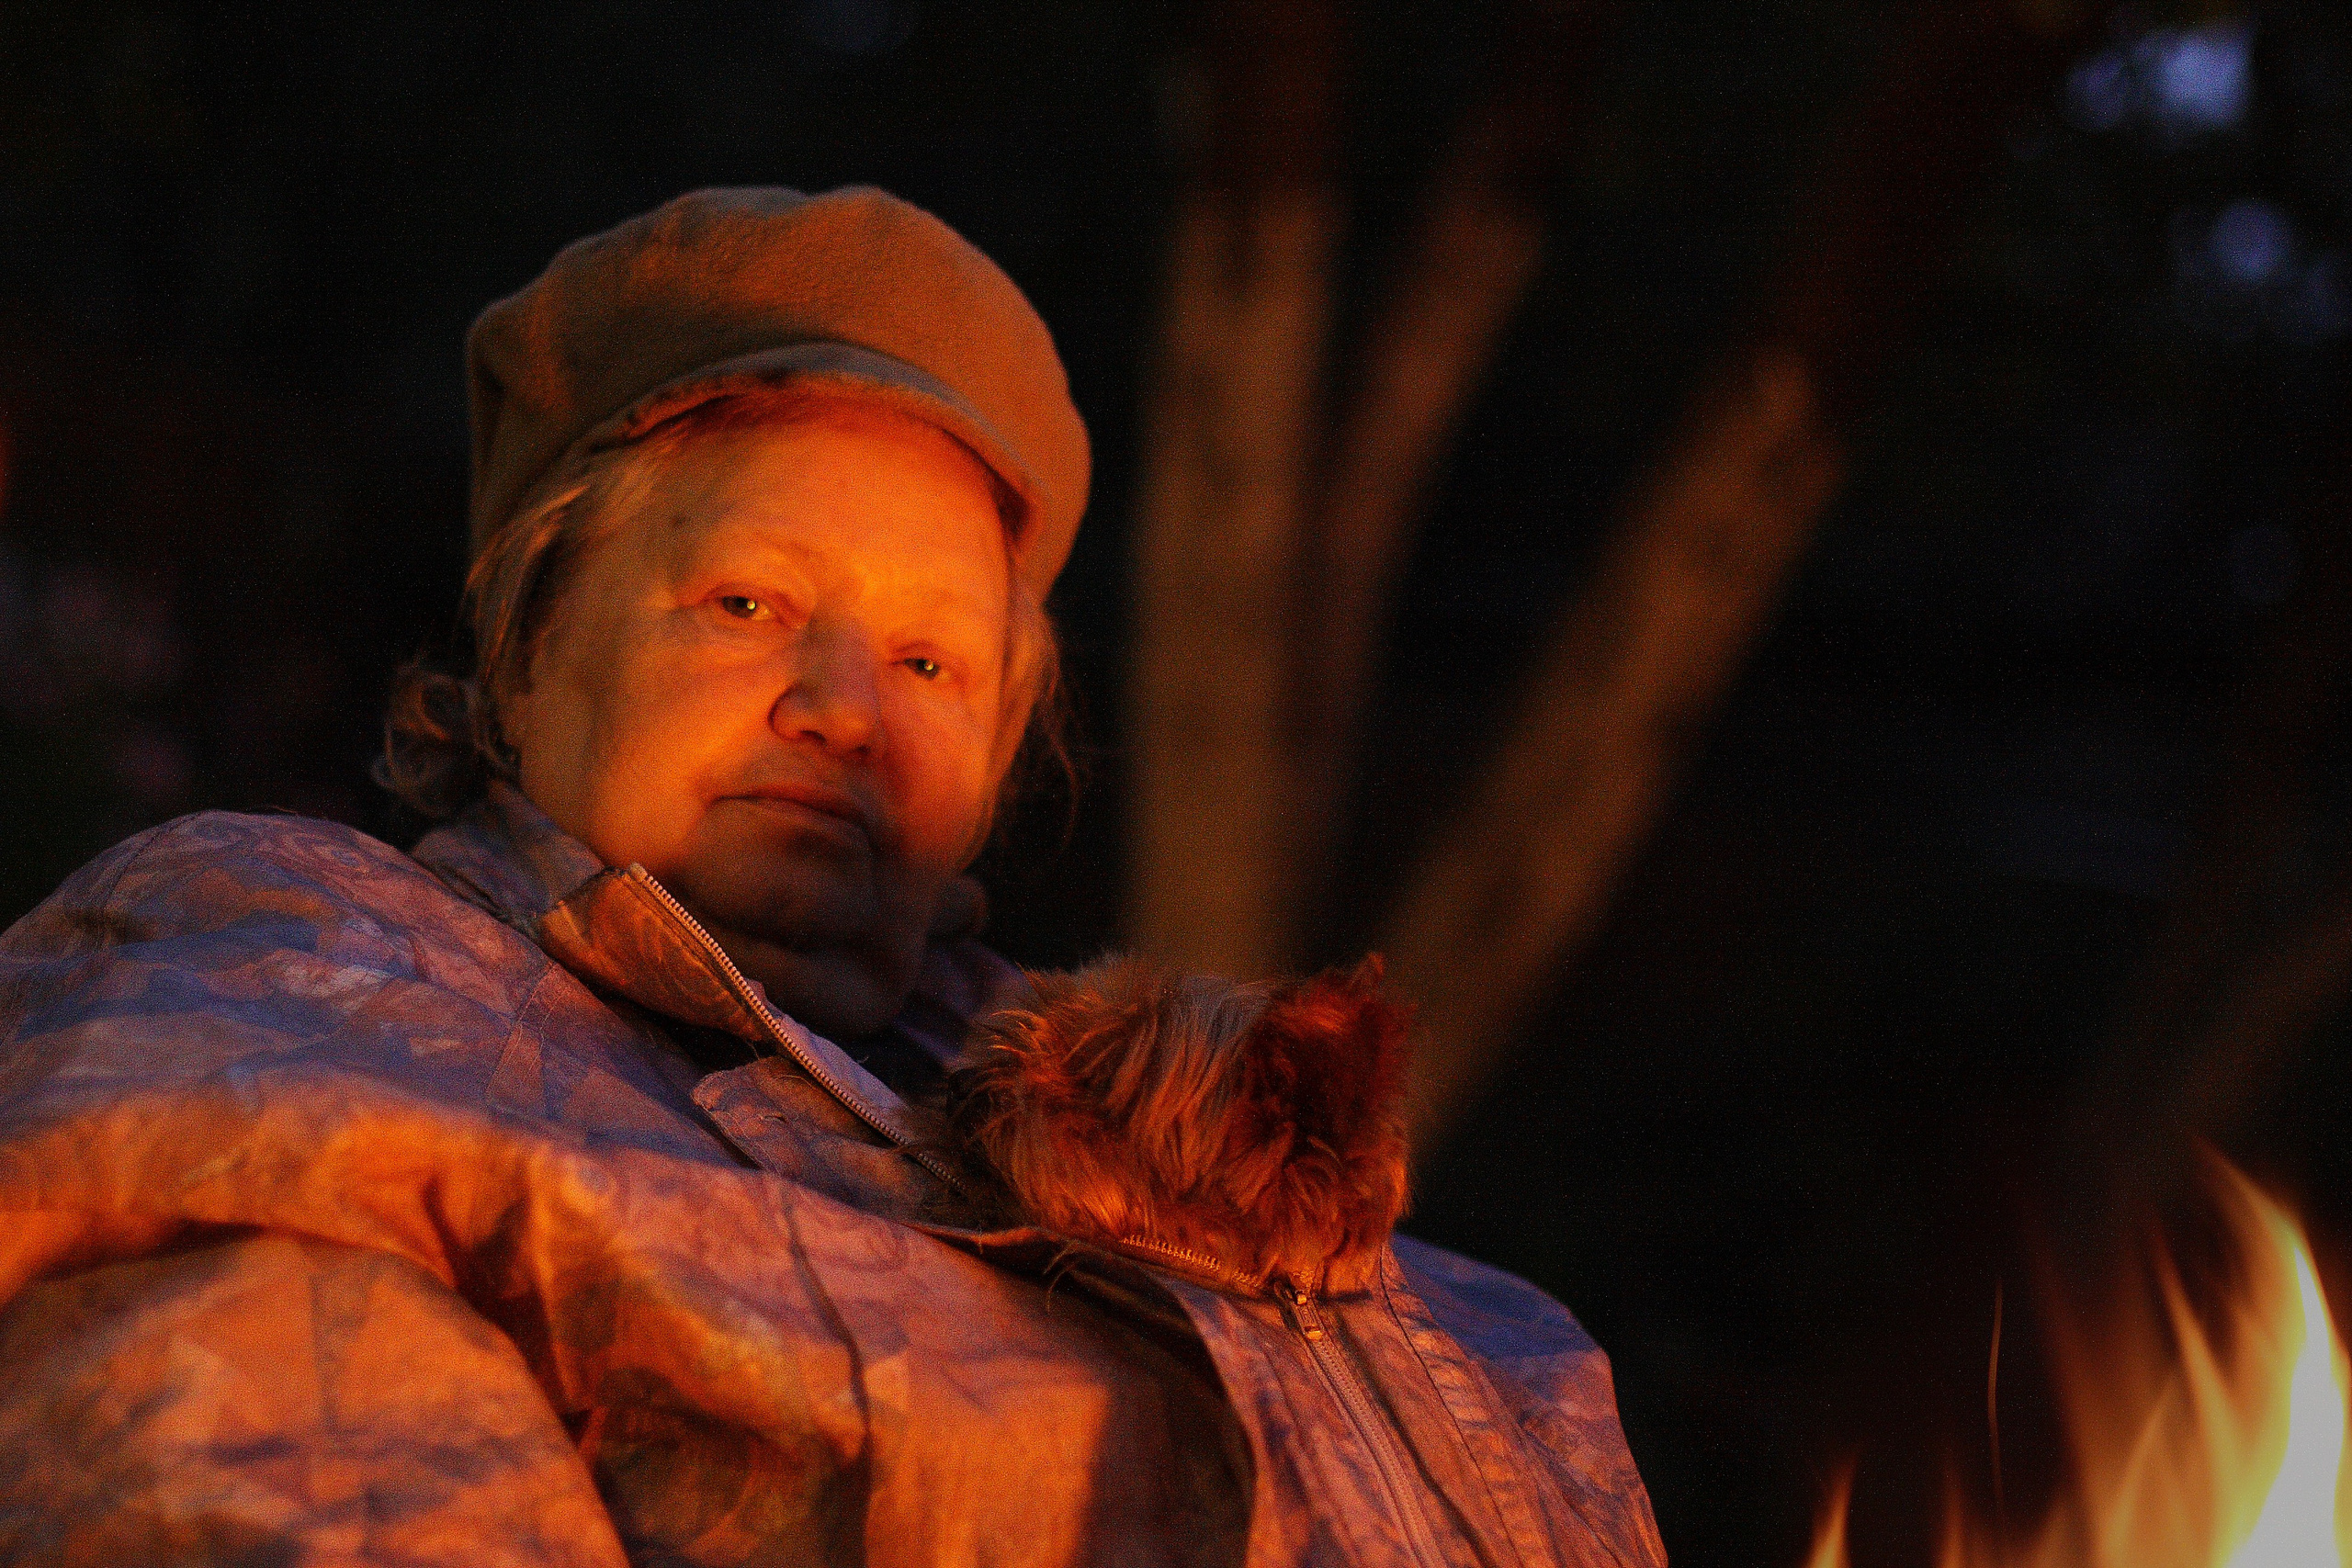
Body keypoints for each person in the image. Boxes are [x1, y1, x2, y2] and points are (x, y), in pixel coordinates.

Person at [0, 186, 1665, 1567]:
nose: (849, 711)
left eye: (935, 665)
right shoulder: (289, 974)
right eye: (748, 605)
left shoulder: (1187, 1128)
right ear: (521, 650)